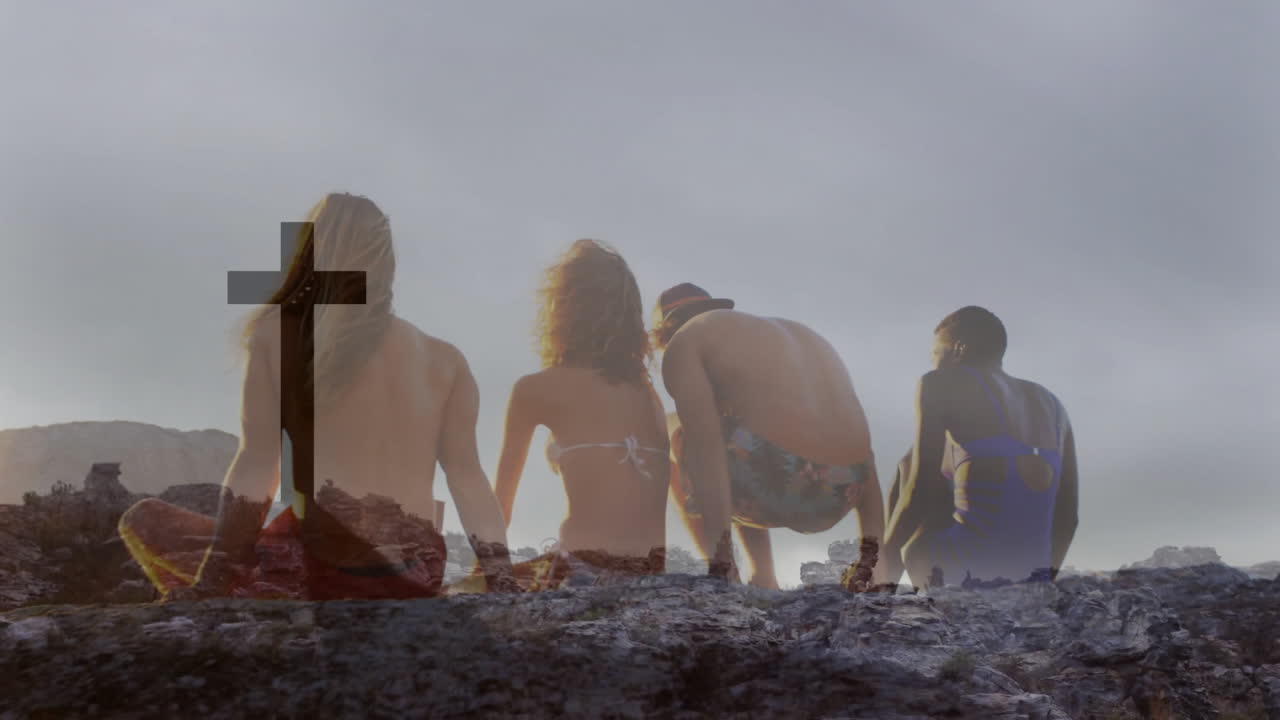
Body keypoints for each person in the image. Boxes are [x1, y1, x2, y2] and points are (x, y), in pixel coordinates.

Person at [118, 192, 517, 600]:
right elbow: (468, 480)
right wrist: (503, 580)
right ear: (385, 263)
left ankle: (235, 601)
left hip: (318, 567)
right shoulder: (445, 360)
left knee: (145, 519)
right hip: (415, 572)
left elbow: (259, 463)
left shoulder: (278, 333)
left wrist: (213, 579)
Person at [655, 283, 887, 590]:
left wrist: (720, 565)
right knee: (740, 436)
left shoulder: (685, 341)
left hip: (774, 485)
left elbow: (705, 449)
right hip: (845, 491)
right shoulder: (796, 335)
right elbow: (863, 450)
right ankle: (767, 573)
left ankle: (728, 572)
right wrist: (875, 560)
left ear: (663, 333)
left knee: (673, 428)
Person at [492, 239, 670, 590]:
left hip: (582, 573)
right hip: (650, 576)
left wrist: (483, 574)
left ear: (559, 309)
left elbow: (500, 510)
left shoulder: (535, 388)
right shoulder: (647, 394)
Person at [882, 306, 1079, 590]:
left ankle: (881, 584)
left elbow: (922, 486)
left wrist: (881, 557)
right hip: (1031, 578)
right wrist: (1043, 581)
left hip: (956, 571)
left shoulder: (938, 383)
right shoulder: (1054, 406)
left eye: (936, 354)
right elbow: (1068, 518)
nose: (934, 363)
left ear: (958, 350)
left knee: (908, 466)